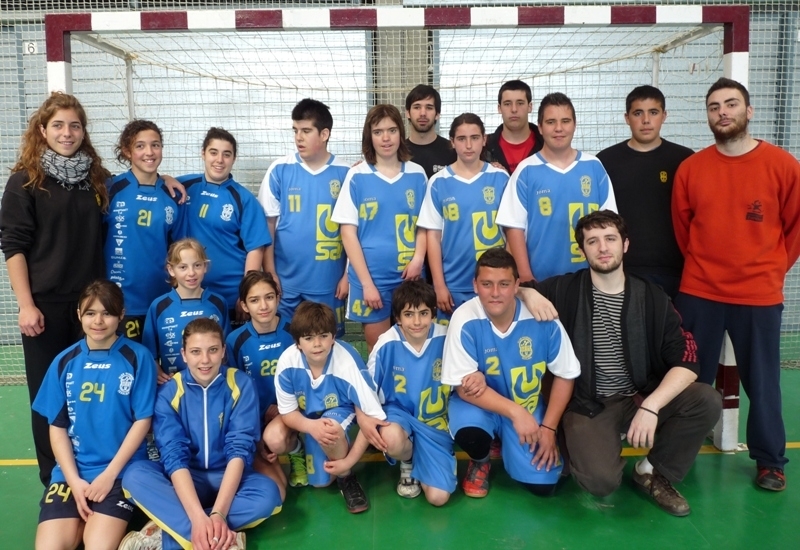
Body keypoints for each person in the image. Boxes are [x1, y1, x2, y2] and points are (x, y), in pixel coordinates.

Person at [519, 210, 721, 516]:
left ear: (625, 244)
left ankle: (651, 471)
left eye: (610, 239)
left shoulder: (652, 297)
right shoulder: (563, 290)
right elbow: (509, 289)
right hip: (589, 403)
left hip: (640, 395)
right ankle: (595, 447)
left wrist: (651, 406)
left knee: (706, 400)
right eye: (593, 241)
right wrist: (527, 293)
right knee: (599, 482)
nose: (603, 248)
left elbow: (687, 360)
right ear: (582, 250)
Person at [672, 77, 800, 492]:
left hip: (758, 296)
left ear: (749, 110)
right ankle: (679, 453)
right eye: (714, 107)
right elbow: (683, 229)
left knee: (763, 384)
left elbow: (795, 227)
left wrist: (772, 269)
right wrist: (705, 267)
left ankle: (770, 461)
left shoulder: (783, 166)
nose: (722, 112)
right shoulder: (692, 169)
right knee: (690, 378)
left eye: (730, 104)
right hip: (700, 292)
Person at [0, 92, 111, 487]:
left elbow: (137, 183)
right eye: (59, 125)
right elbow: (14, 246)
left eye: (75, 125)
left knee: (89, 392)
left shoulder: (97, 179)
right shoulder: (24, 182)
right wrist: (25, 305)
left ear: (83, 131)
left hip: (89, 308)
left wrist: (167, 178)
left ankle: (94, 473)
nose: (67, 133)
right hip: (44, 306)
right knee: (48, 398)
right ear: (43, 130)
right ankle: (55, 480)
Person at [121, 318, 285, 550]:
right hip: (187, 477)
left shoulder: (241, 384)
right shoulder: (168, 392)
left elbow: (238, 451)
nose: (205, 360)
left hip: (227, 475)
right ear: (184, 354)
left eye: (213, 350)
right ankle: (219, 538)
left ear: (223, 351)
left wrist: (218, 514)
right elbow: (174, 457)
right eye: (196, 352)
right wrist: (198, 518)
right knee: (135, 476)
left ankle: (170, 534)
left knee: (269, 495)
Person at [441, 248, 580, 498]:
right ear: (475, 285)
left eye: (504, 284)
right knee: (470, 432)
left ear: (517, 285)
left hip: (526, 404)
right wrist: (516, 413)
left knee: (543, 486)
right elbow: (463, 389)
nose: (495, 293)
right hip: (481, 405)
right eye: (487, 284)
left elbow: (566, 373)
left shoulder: (542, 316)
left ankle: (507, 441)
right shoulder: (464, 318)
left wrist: (549, 428)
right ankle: (481, 459)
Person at [32, 280, 156, 549]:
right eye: (90, 313)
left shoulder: (138, 357)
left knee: (98, 545)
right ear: (79, 314)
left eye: (107, 313)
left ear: (121, 314)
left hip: (120, 471)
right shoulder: (64, 361)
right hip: (72, 472)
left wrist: (109, 475)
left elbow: (143, 420)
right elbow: (57, 426)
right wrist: (74, 481)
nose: (98, 321)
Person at [326, 281, 455, 506]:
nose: (417, 322)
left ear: (433, 314)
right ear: (397, 317)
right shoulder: (386, 343)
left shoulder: (447, 339)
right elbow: (365, 393)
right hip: (398, 418)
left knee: (438, 498)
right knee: (391, 438)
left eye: (424, 313)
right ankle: (408, 460)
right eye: (409, 314)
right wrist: (361, 424)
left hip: (434, 423)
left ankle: (433, 456)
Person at [264, 301, 386, 513]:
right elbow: (288, 412)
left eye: (323, 336)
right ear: (298, 343)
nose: (317, 344)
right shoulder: (287, 361)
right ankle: (297, 450)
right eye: (308, 338)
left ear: (333, 337)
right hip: (307, 417)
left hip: (338, 412)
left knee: (328, 438)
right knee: (273, 437)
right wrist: (311, 427)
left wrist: (348, 462)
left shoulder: (347, 363)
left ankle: (346, 477)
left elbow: (372, 417)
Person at [331, 104, 428, 352]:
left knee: (415, 345)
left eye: (392, 130)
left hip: (410, 277)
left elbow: (425, 225)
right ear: (369, 136)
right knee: (379, 348)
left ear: (401, 133)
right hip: (373, 279)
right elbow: (348, 233)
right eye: (378, 132)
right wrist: (367, 284)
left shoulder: (417, 174)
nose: (386, 138)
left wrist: (418, 259)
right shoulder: (357, 175)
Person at [497, 92, 617, 283]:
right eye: (551, 122)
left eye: (565, 121)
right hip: (542, 281)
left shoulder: (594, 167)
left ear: (575, 125)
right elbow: (514, 228)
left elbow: (610, 224)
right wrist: (526, 276)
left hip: (591, 280)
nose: (559, 128)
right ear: (540, 127)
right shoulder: (526, 170)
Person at [257, 99, 349, 336]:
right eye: (295, 130)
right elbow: (268, 225)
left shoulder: (347, 174)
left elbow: (355, 232)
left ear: (324, 134)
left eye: (306, 131)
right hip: (286, 285)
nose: (298, 137)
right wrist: (271, 273)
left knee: (325, 344)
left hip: (329, 285)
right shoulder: (279, 169)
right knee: (286, 344)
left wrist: (348, 276)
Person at [596, 85, 693, 299]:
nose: (646, 120)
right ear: (627, 118)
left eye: (653, 112)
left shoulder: (684, 160)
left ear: (664, 116)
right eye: (638, 113)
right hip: (622, 268)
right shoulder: (606, 161)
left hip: (675, 270)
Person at [418, 113, 508, 319]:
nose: (468, 145)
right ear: (452, 142)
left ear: (484, 140)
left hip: (495, 283)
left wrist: (507, 277)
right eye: (461, 138)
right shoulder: (438, 182)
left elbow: (512, 233)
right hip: (454, 285)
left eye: (474, 138)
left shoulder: (501, 178)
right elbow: (433, 237)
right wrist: (439, 285)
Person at [104, 119, 184, 341]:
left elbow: (178, 250)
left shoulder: (173, 195)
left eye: (155, 145)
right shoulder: (110, 189)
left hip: (162, 301)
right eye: (140, 146)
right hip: (120, 302)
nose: (149, 152)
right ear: (127, 151)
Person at [179, 127, 271, 317]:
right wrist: (165, 178)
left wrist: (246, 292)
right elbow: (155, 183)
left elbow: (256, 249)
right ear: (203, 153)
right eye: (213, 152)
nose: (219, 160)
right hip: (187, 294)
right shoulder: (183, 186)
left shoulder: (243, 199)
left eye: (226, 154)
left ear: (234, 159)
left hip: (229, 298)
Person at [224, 271, 297, 483]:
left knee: (320, 480)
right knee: (278, 488)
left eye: (269, 297)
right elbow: (235, 393)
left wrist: (285, 407)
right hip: (255, 420)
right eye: (255, 300)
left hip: (293, 412)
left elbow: (308, 380)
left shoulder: (294, 332)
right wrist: (255, 433)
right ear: (244, 305)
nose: (263, 306)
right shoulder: (235, 341)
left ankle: (297, 449)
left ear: (278, 298)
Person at [142, 238, 230, 379]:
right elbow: (149, 351)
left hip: (212, 382)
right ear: (171, 270)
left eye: (197, 265)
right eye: (183, 267)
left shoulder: (218, 303)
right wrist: (156, 369)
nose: (191, 273)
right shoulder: (159, 306)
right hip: (173, 384)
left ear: (205, 266)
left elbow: (226, 348)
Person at [484, 80, 543, 174]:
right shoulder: (484, 147)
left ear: (530, 107)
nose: (514, 109)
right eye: (507, 104)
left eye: (520, 103)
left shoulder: (546, 144)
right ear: (499, 108)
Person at [404, 84, 457, 179]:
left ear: (437, 114)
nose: (423, 113)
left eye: (429, 108)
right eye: (417, 107)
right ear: (408, 113)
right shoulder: (398, 151)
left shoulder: (453, 151)